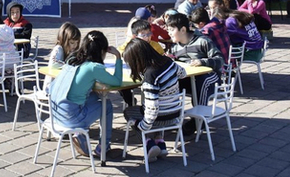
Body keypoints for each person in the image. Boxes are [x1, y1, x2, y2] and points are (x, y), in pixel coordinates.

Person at [49, 30, 123, 158]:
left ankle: (81, 135)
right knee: (107, 106)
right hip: (70, 118)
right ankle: (103, 147)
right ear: (102, 51)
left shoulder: (73, 58)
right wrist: (118, 57)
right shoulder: (93, 67)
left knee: (95, 97)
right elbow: (117, 82)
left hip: (55, 113)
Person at [123, 37, 188, 162]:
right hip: (175, 114)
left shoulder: (149, 77)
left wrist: (142, 126)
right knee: (160, 108)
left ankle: (148, 143)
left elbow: (152, 109)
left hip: (160, 118)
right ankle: (160, 142)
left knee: (129, 113)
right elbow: (183, 73)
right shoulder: (168, 61)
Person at [165, 13, 223, 107]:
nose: (169, 33)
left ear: (183, 30)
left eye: (171, 30)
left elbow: (220, 60)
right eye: (168, 30)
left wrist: (202, 62)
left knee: (202, 80)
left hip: (211, 77)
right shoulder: (175, 47)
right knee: (169, 80)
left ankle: (199, 118)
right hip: (189, 78)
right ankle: (174, 113)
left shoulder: (203, 41)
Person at [44, 22, 82, 89]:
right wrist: (69, 66)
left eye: (77, 43)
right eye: (72, 43)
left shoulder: (69, 51)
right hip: (51, 88)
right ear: (64, 41)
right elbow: (54, 64)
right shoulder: (58, 49)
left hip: (60, 86)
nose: (75, 46)